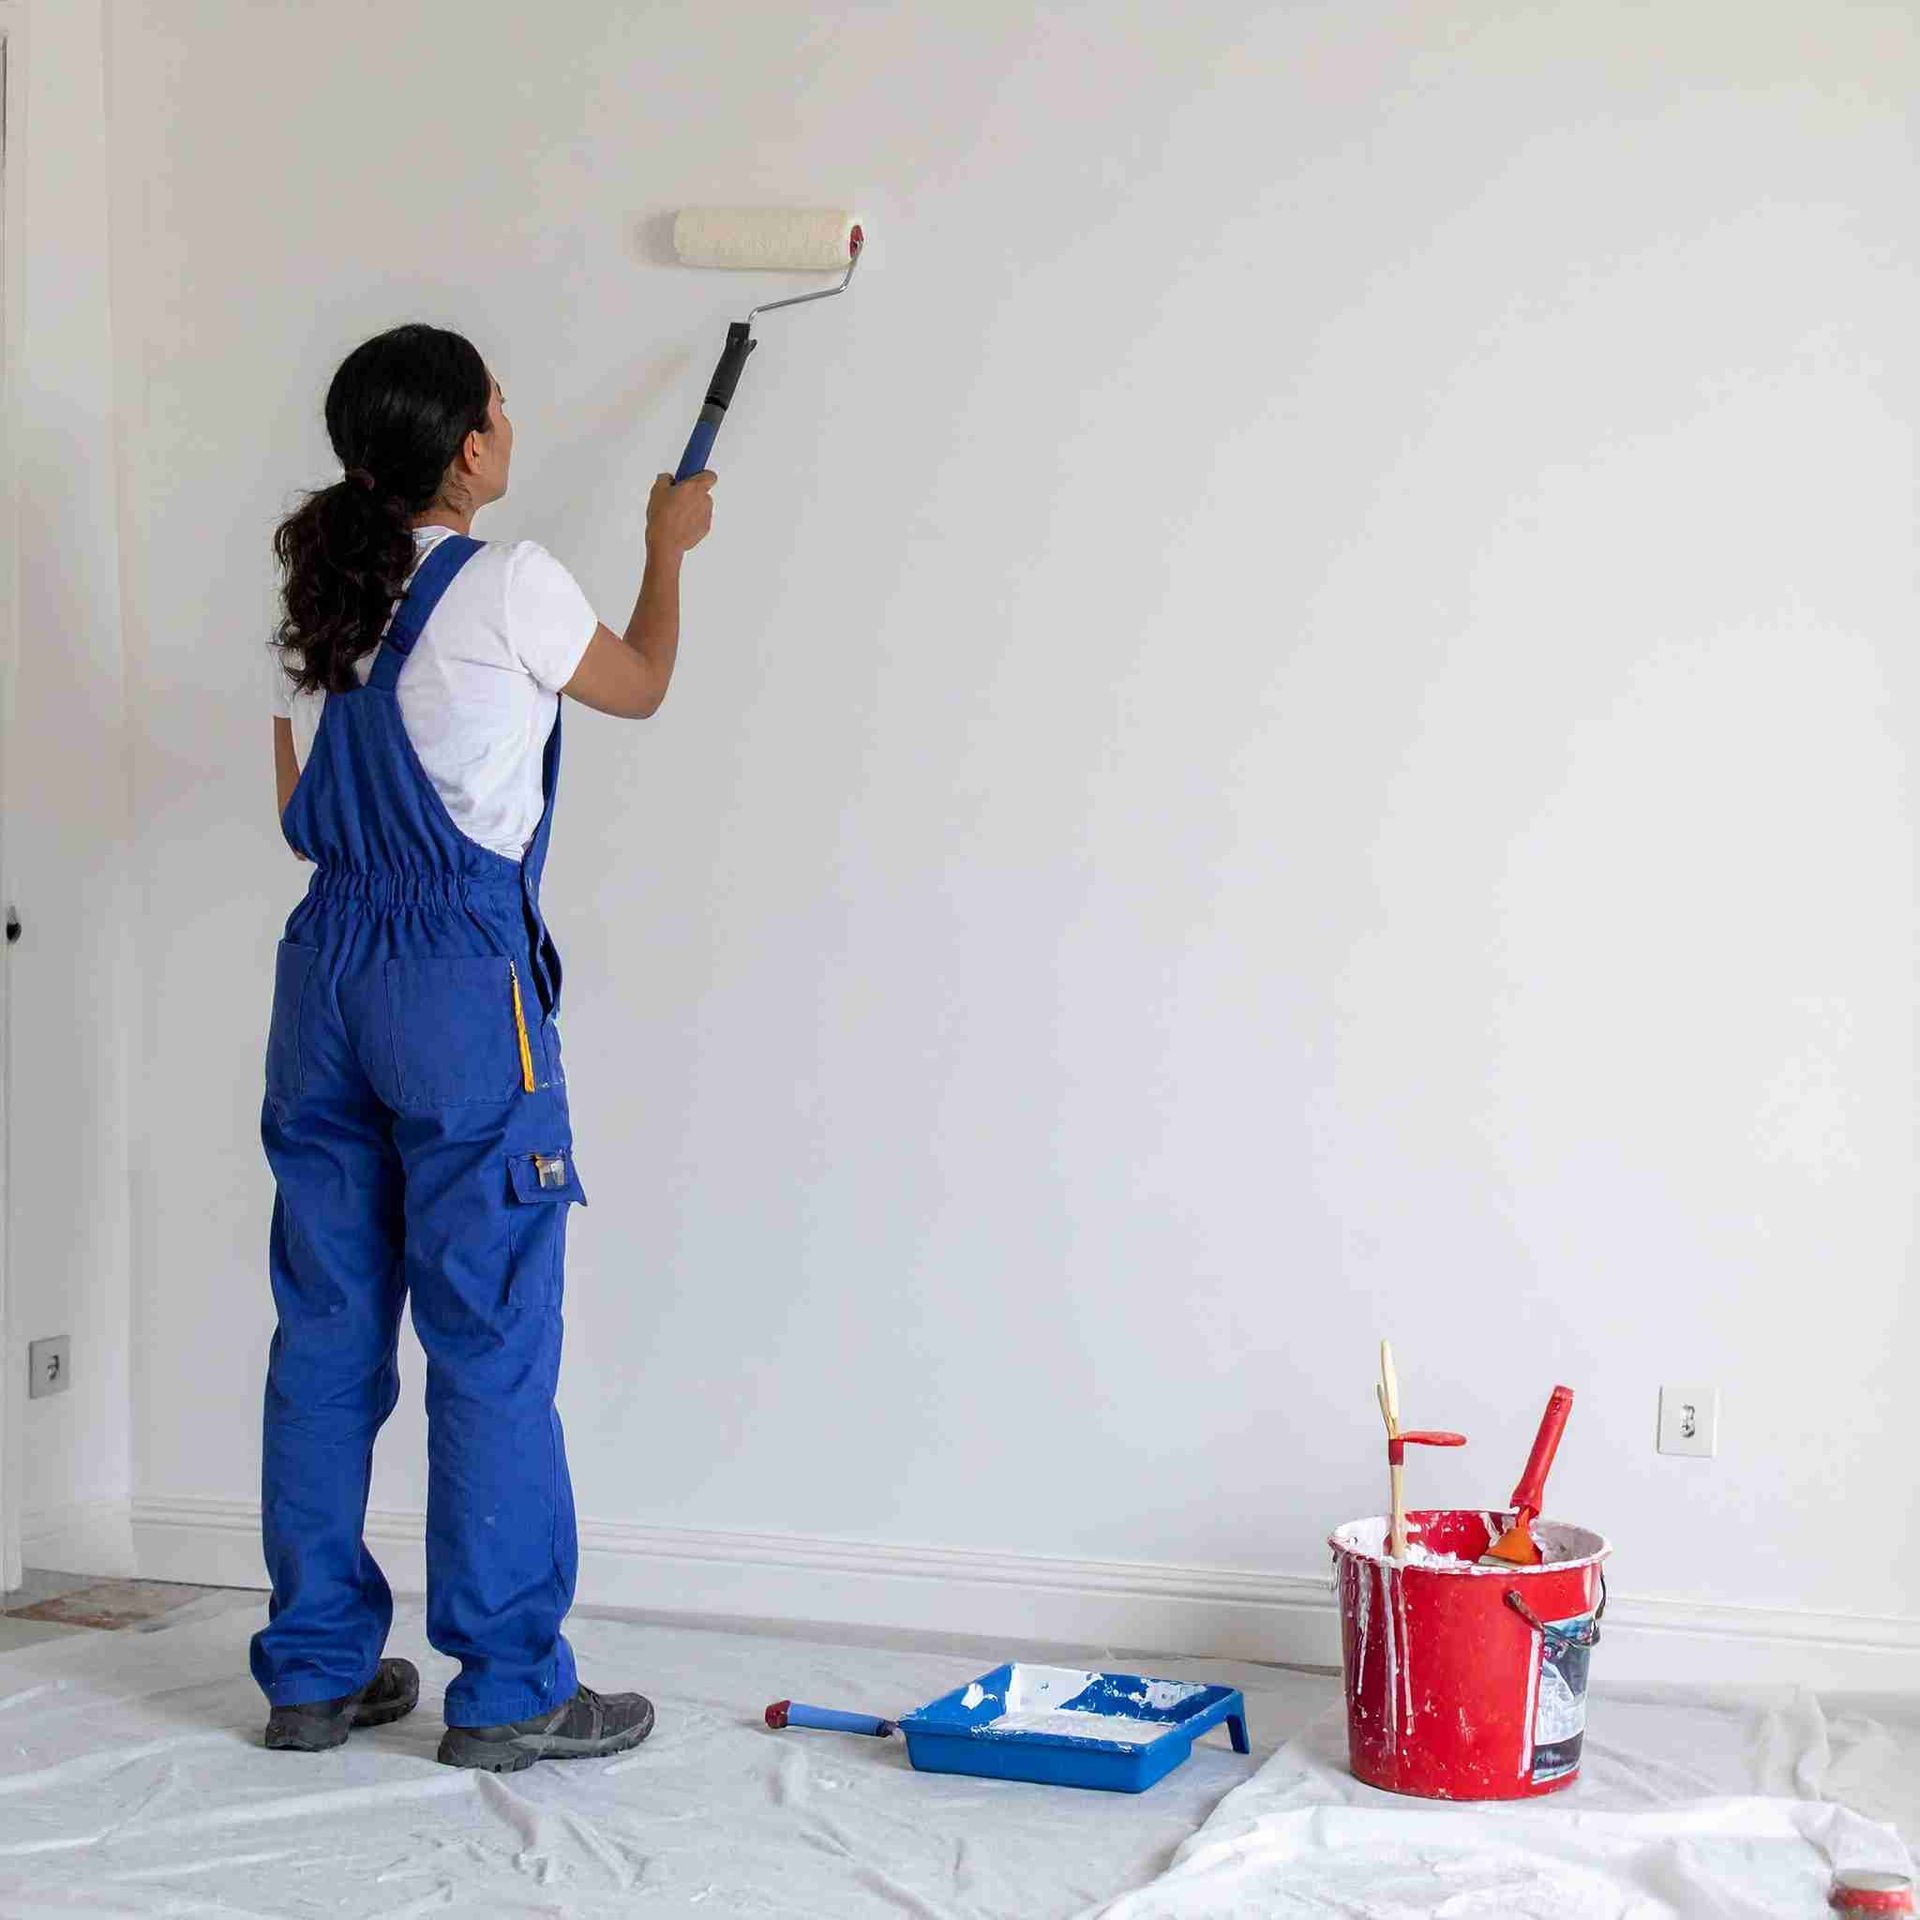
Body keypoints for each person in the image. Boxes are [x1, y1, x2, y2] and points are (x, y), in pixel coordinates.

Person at [256, 322, 714, 1771]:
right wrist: (670, 544)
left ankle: (317, 1674)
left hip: (323, 978)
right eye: (500, 410)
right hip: (456, 982)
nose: (510, 425)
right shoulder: (513, 582)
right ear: (467, 448)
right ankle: (511, 1688)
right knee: (492, 1336)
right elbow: (641, 684)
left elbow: (297, 808)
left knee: (327, 1333)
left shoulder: (322, 594)